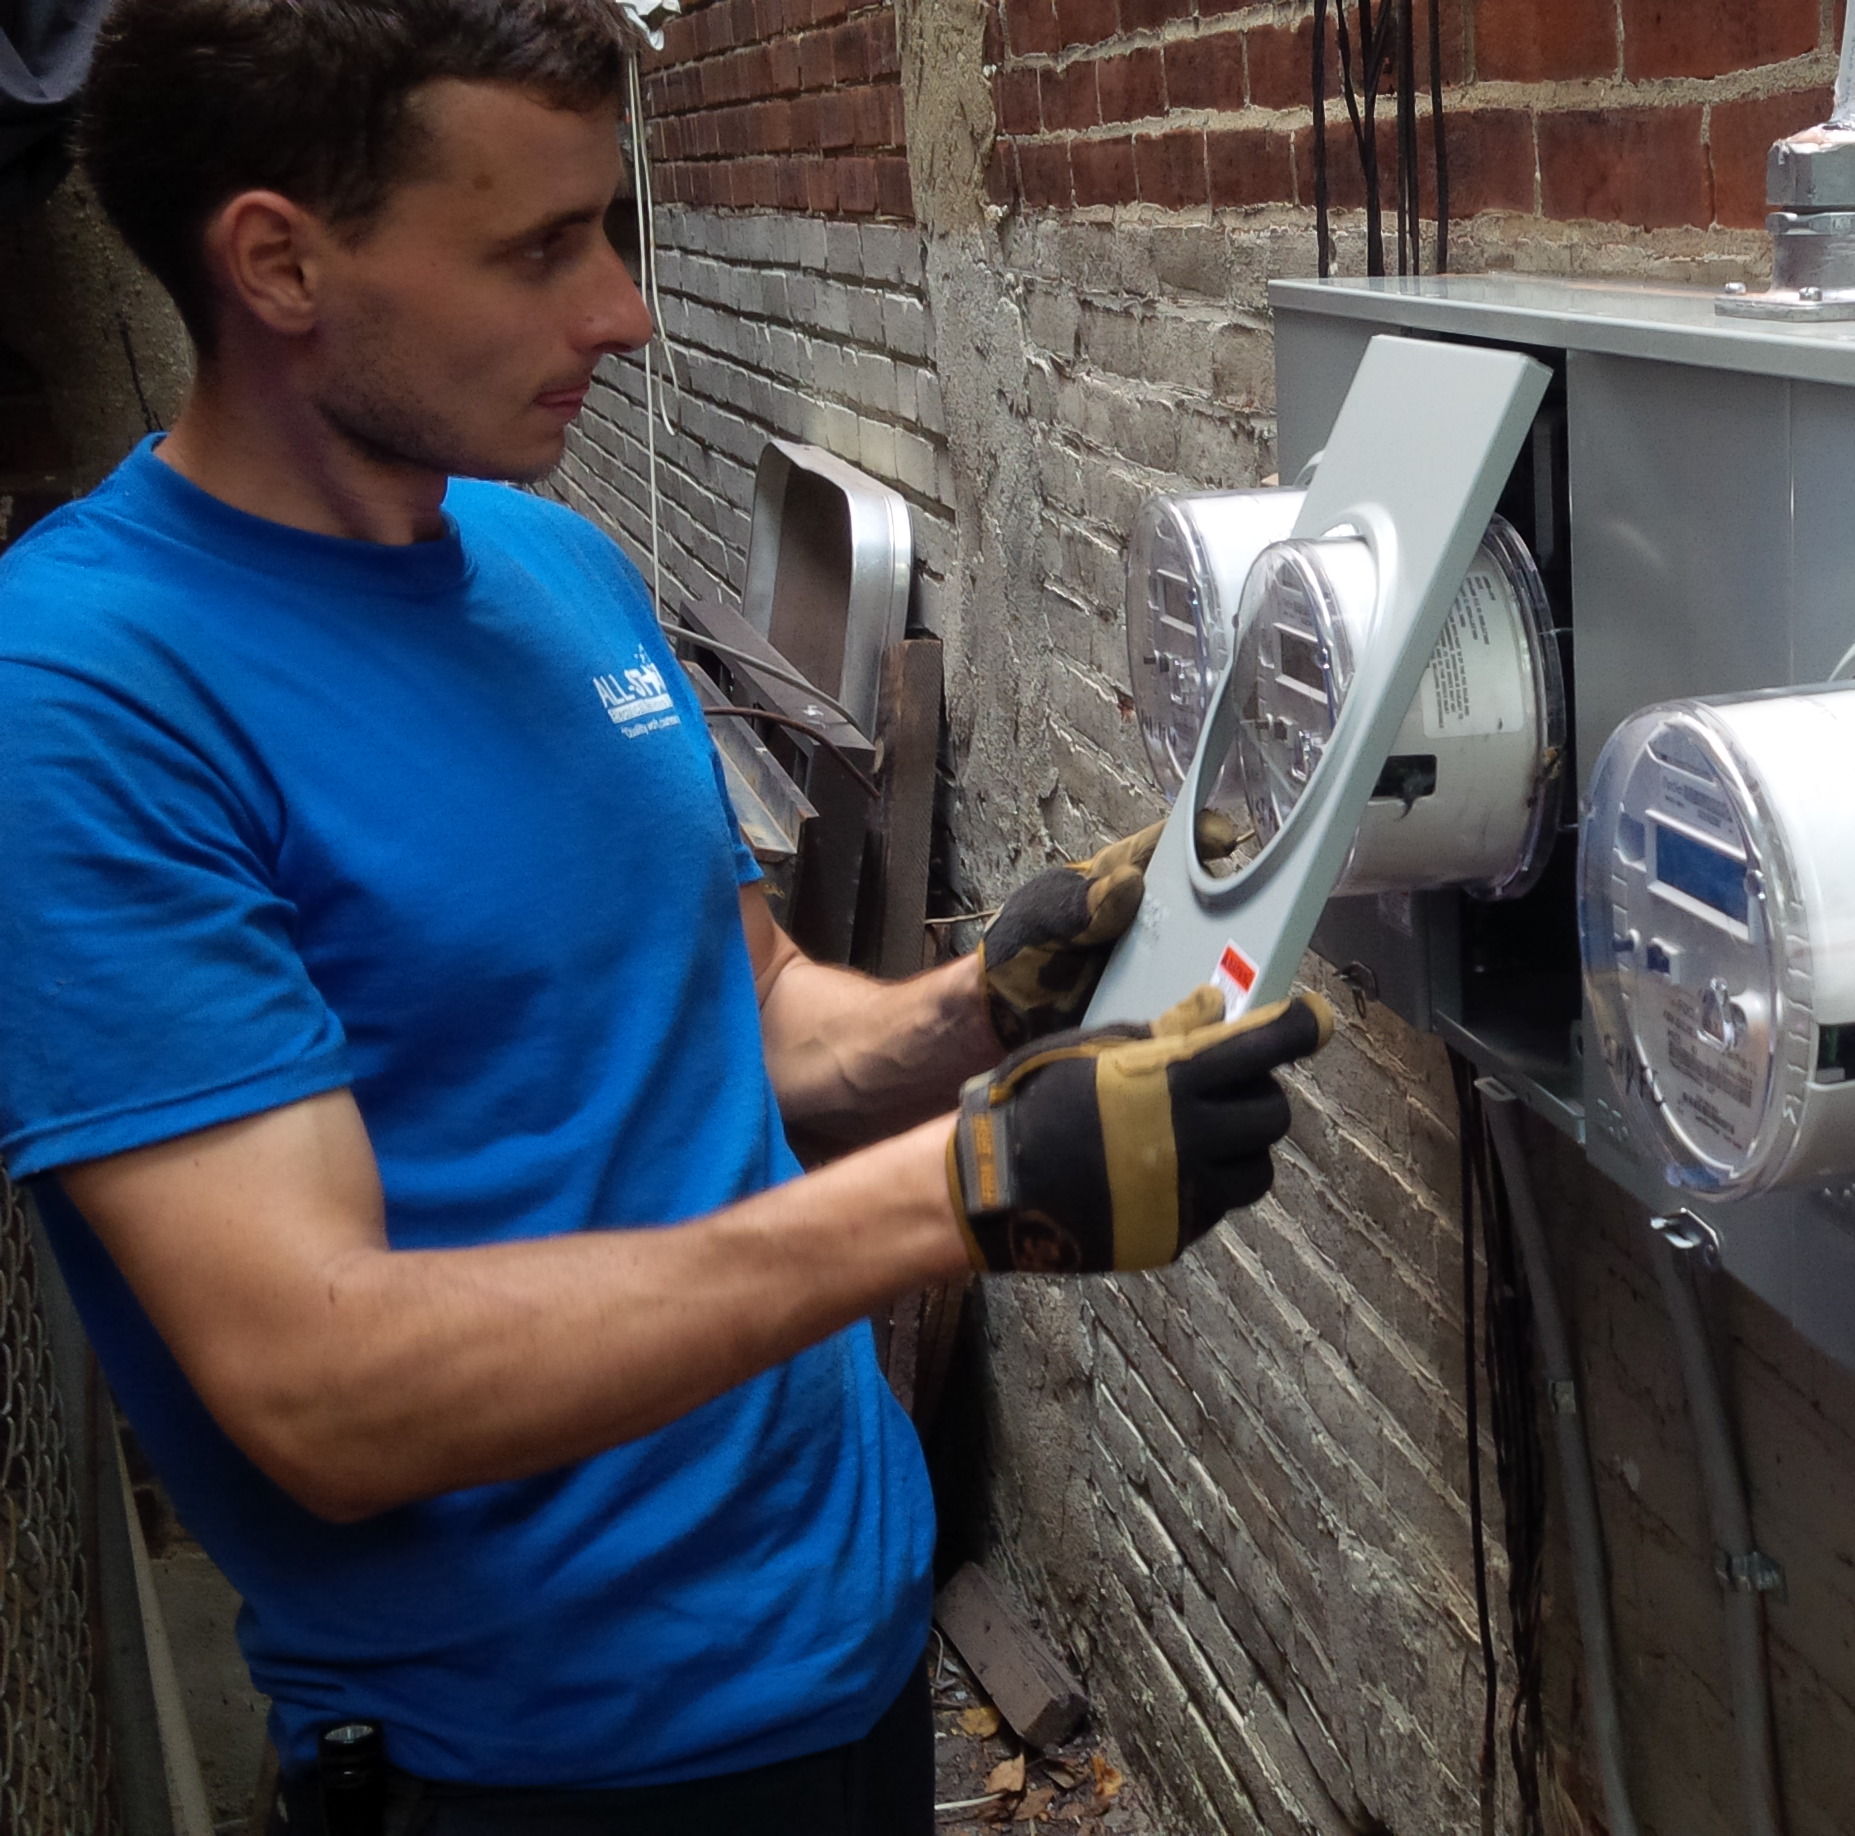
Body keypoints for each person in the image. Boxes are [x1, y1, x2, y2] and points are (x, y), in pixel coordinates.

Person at [0, 0, 1331, 1827]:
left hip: (842, 1646)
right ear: (278, 263)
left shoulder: (559, 568)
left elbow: (749, 1016)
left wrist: (986, 1008)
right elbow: (318, 1390)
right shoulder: (89, 696)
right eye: (541, 247)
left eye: (610, 228)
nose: (621, 313)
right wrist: (966, 1191)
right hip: (541, 1765)